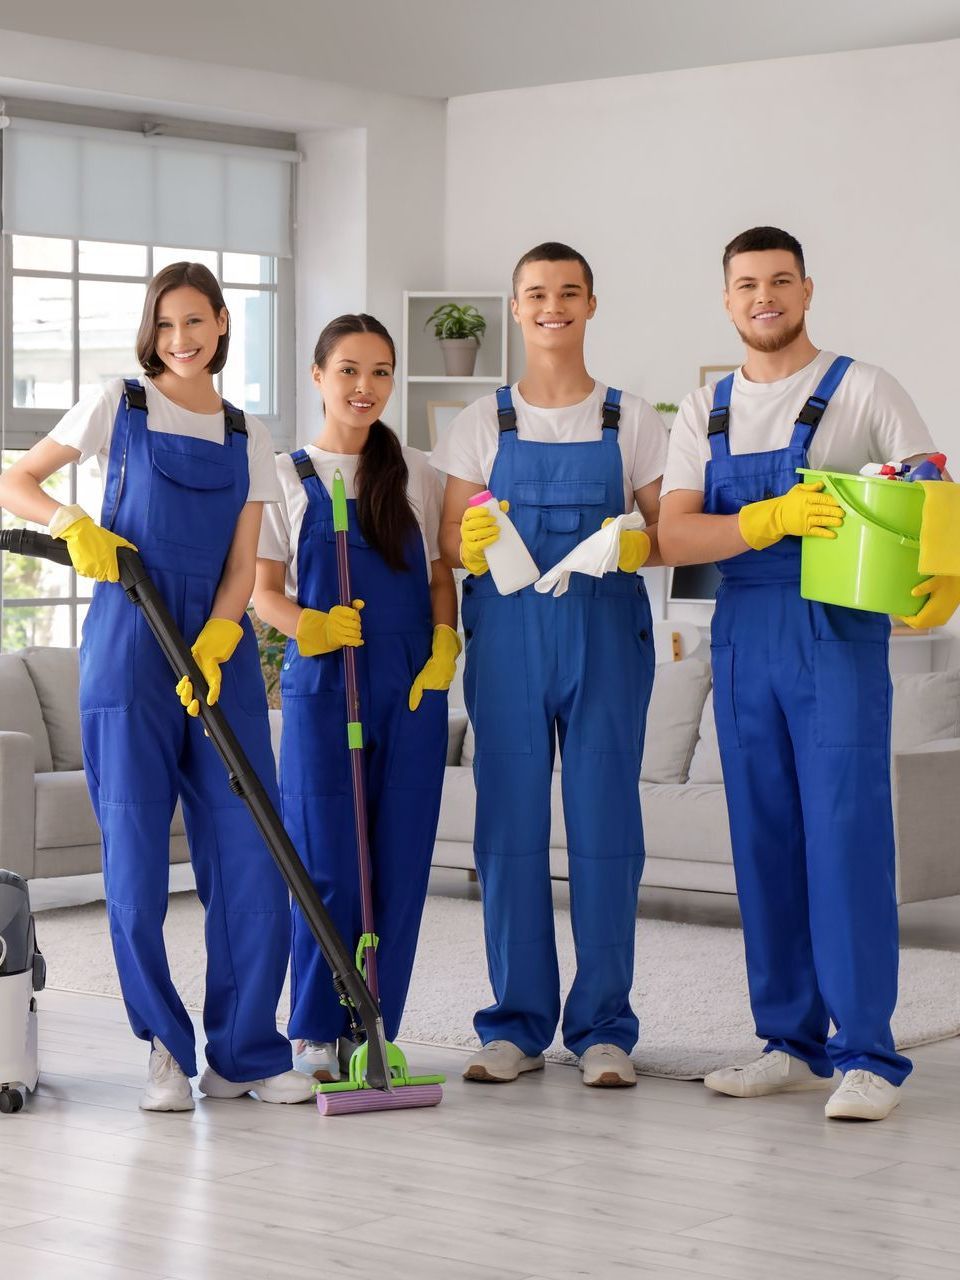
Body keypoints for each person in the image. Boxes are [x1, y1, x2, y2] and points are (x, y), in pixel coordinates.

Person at [0, 263, 314, 1110]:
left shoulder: (249, 430)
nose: (182, 339)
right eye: (167, 324)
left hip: (217, 649)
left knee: (250, 848)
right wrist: (72, 523)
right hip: (127, 644)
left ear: (220, 324)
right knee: (136, 857)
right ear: (154, 329)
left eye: (197, 322)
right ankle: (165, 1051)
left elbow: (247, 560)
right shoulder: (120, 403)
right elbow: (15, 479)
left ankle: (247, 1051)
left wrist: (220, 633)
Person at [658, 225, 953, 1121]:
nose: (764, 297)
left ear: (807, 290)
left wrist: (932, 582)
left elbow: (931, 489)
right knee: (766, 844)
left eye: (780, 281)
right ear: (726, 297)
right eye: (747, 284)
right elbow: (675, 535)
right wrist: (769, 519)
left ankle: (867, 1054)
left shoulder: (864, 387)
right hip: (742, 640)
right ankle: (789, 1042)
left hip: (836, 634)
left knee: (847, 839)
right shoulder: (701, 407)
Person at [433, 242, 667, 1088]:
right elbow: (448, 541)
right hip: (508, 638)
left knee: (607, 833)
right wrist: (468, 539)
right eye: (536, 294)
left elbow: (665, 527)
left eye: (568, 293)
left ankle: (604, 1028)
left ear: (591, 305)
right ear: (516, 307)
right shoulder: (478, 421)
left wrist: (638, 539)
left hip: (606, 636)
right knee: (508, 834)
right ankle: (515, 1026)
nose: (551, 306)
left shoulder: (630, 418)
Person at [253, 313, 458, 1082]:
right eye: (348, 370)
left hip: (409, 688)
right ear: (317, 376)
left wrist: (445, 642)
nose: (364, 387)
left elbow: (441, 573)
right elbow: (262, 592)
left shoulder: (421, 472)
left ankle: (373, 1027)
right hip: (322, 687)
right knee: (328, 862)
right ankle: (312, 1029)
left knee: (399, 864)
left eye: (379, 372)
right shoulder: (283, 475)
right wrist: (308, 625)